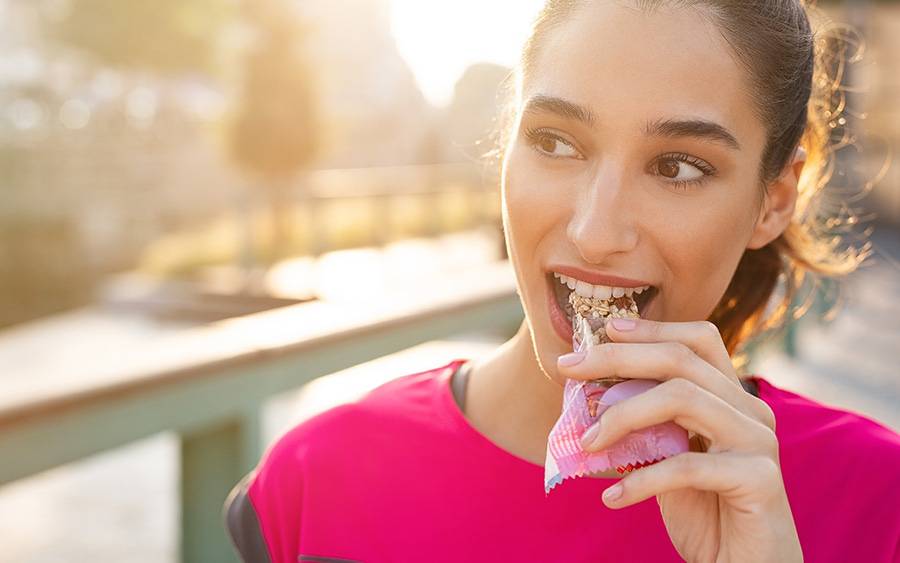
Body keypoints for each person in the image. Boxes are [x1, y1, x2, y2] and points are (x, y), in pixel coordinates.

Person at [223, 1, 900, 561]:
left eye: (677, 167)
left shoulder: (875, 503)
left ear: (774, 200)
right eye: (555, 142)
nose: (594, 228)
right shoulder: (315, 483)